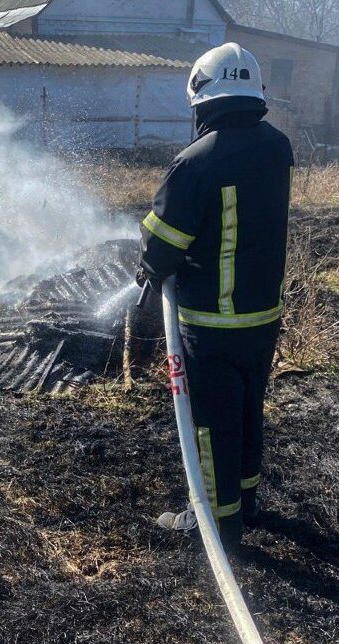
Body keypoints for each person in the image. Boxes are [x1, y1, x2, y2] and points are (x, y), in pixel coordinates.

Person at [136, 42, 294, 553]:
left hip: (211, 322)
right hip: (262, 316)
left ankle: (214, 522)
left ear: (201, 99)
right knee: (249, 408)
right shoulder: (278, 147)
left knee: (209, 424)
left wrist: (151, 268)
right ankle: (245, 498)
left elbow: (162, 244)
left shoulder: (195, 162)